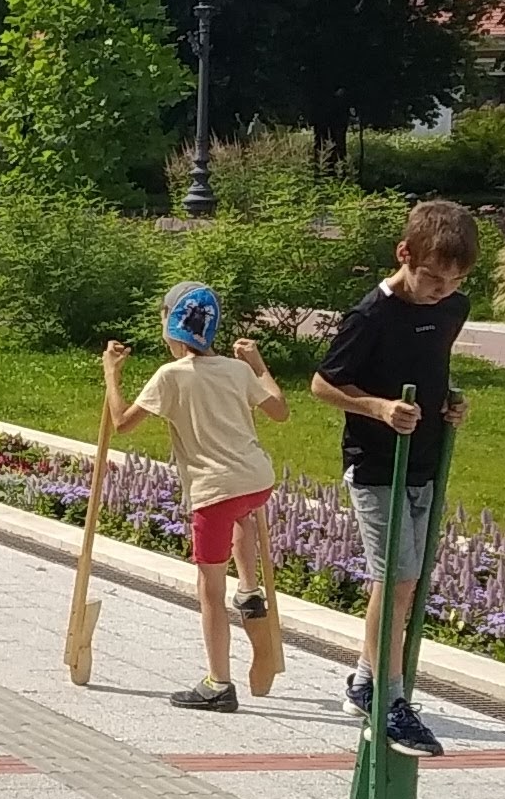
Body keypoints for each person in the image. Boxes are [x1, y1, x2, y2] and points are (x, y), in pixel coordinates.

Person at [309, 197, 479, 763]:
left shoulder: (452, 308)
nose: (442, 291)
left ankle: (365, 680)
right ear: (404, 254)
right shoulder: (370, 316)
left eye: (455, 282)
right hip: (377, 464)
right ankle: (389, 697)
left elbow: (429, 366)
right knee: (399, 579)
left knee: (407, 580)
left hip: (425, 462)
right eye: (432, 278)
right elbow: (323, 384)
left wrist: (450, 401)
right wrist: (379, 408)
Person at [105, 285, 289, 714]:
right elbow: (280, 411)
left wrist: (111, 374)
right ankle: (249, 589)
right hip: (257, 479)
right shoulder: (236, 370)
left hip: (213, 491)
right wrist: (258, 364)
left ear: (169, 325)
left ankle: (218, 683)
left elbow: (121, 423)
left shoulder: (170, 376)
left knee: (209, 587)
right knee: (244, 513)